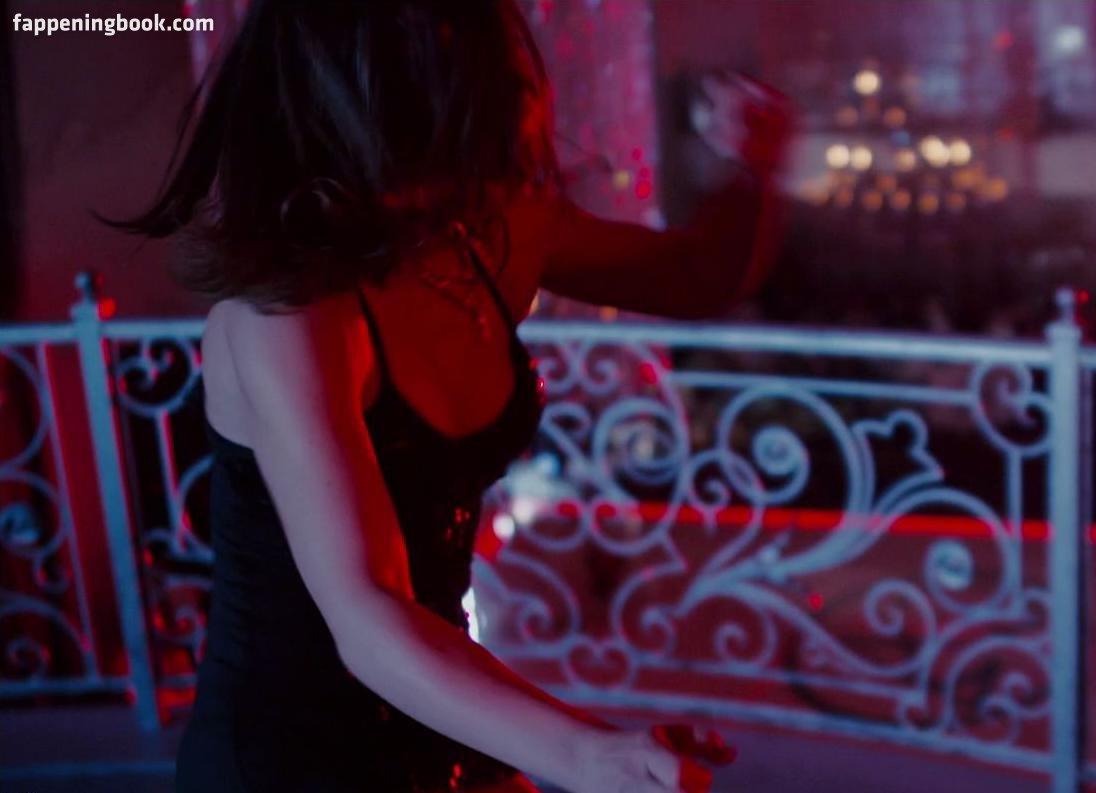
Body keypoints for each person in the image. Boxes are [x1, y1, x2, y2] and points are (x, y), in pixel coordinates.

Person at [109, 1, 791, 791]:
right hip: (286, 757)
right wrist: (585, 751)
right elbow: (367, 609)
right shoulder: (288, 315)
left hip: (444, 708)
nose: (519, 83)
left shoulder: (485, 232)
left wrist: (750, 168)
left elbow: (693, 276)